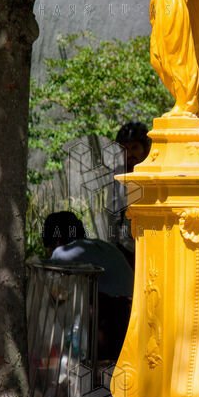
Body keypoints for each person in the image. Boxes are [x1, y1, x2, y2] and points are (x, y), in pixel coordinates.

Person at [43, 211, 134, 362]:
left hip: (113, 323)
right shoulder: (103, 246)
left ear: (56, 242)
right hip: (134, 319)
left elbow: (50, 291)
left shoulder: (61, 253)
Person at [108, 121, 151, 260]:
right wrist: (113, 251)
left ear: (146, 148)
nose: (130, 154)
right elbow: (113, 214)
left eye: (134, 148)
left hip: (153, 243)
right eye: (125, 149)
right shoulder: (119, 176)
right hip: (126, 248)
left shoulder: (154, 173)